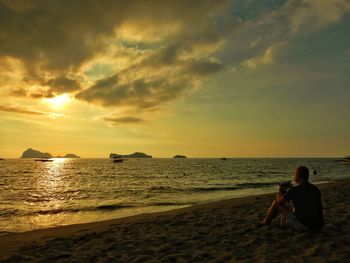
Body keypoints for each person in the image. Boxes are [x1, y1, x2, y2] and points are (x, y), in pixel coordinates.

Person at [259, 166, 324, 231]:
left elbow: (279, 202)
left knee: (276, 203)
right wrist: (291, 189)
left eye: (295, 174)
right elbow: (303, 198)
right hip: (318, 226)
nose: (294, 175)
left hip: (305, 226)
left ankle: (265, 222)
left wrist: (280, 190)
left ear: (298, 175)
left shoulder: (294, 190)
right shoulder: (315, 189)